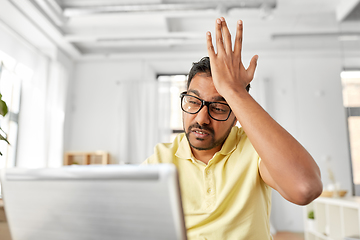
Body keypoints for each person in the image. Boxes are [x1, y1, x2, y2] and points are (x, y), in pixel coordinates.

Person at [143, 17, 322, 240]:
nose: (201, 118)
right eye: (192, 101)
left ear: (237, 115)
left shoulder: (254, 149)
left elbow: (305, 187)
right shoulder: (161, 159)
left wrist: (235, 92)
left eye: (218, 107)